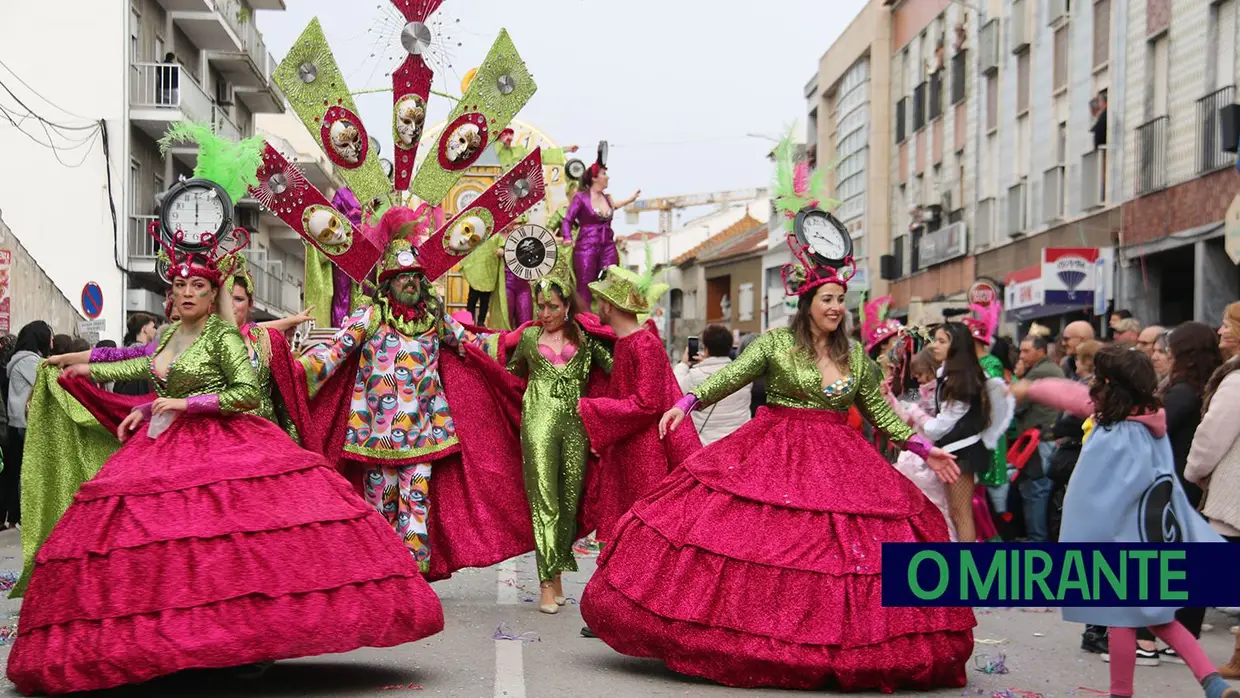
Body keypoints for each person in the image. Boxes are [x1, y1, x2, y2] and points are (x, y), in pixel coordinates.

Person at [6, 235, 444, 696]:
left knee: (235, 549)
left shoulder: (225, 336)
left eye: (197, 283)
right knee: (172, 548)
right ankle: (182, 641)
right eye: (180, 284)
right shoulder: (172, 334)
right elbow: (134, 363)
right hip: (168, 448)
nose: (188, 291)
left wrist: (183, 402)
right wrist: (78, 369)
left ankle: (241, 642)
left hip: (229, 443)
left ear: (213, 292)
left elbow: (245, 394)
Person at [578, 233, 973, 691]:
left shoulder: (855, 359)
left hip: (839, 461)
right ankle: (739, 636)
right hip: (772, 449)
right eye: (827, 298)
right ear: (808, 303)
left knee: (837, 557)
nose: (835, 307)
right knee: (754, 542)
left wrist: (926, 449)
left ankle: (828, 646)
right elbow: (731, 375)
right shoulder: (775, 344)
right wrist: (685, 401)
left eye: (841, 299)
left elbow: (882, 416)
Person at [297, 205, 534, 580]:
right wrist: (293, 371)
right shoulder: (370, 317)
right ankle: (385, 575)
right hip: (374, 436)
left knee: (416, 508)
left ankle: (413, 579)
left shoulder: (434, 319)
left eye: (414, 276)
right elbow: (332, 355)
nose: (409, 281)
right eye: (401, 276)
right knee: (381, 510)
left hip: (424, 434)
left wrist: (513, 342)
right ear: (387, 282)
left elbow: (471, 344)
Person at [1012, 347, 1237, 698]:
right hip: (1152, 536)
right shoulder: (1153, 418)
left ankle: (1121, 693)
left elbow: (1096, 496)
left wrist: (1028, 389)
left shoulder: (1111, 428)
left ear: (1107, 385)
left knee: (1120, 619)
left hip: (1117, 542)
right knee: (1160, 618)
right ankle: (1213, 682)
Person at [505, 262, 611, 614]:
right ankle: (546, 584)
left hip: (576, 429)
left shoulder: (586, 339)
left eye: (552, 306)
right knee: (544, 504)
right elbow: (508, 378)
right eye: (540, 306)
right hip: (537, 426)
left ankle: (558, 572)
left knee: (569, 504)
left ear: (567, 306)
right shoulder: (529, 339)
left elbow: (618, 369)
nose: (545, 313)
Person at [1185, 304, 1240, 678]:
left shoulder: (1236, 380)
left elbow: (1212, 435)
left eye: (1227, 325)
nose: (1219, 332)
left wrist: (1195, 471)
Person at [920, 321, 1010, 543]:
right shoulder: (948, 375)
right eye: (935, 340)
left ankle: (966, 566)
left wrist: (915, 415)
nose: (935, 346)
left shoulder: (962, 379)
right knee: (955, 512)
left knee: (961, 514)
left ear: (957, 346)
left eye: (942, 341)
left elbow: (941, 425)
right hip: (954, 451)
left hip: (963, 453)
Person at [560, 162, 640, 308]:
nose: (607, 177)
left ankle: (609, 321)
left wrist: (631, 199)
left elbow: (615, 206)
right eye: (604, 174)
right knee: (585, 286)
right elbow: (568, 220)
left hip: (607, 245)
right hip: (586, 246)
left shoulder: (608, 198)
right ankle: (584, 324)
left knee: (611, 281)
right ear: (594, 178)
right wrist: (567, 237)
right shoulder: (581, 198)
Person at [1011, 333, 1064, 542]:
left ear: (1040, 352)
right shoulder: (1050, 369)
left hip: (1039, 441)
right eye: (1020, 350)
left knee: (1036, 491)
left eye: (1026, 351)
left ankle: (1037, 541)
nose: (1021, 355)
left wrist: (1019, 379)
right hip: (1045, 439)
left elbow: (1015, 404)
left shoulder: (1038, 373)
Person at [2, 321, 52, 530]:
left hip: (18, 422)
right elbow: (47, 385)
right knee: (27, 472)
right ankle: (23, 515)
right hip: (26, 423)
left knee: (17, 472)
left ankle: (15, 516)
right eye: (49, 336)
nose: (52, 340)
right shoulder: (30, 362)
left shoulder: (20, 360)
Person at [673, 324, 751, 445]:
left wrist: (683, 364)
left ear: (706, 349)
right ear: (731, 347)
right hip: (738, 444)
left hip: (706, 445)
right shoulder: (745, 376)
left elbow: (676, 387)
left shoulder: (695, 375)